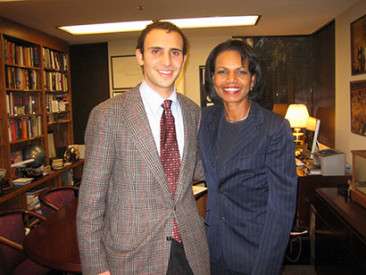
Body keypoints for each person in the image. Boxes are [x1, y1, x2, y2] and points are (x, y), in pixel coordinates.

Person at [76, 21, 209, 275]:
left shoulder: (193, 112)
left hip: (190, 249)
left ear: (184, 58)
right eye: (156, 51)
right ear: (140, 56)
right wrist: (96, 268)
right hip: (132, 256)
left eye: (175, 52)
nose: (167, 61)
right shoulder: (108, 115)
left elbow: (200, 168)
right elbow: (91, 203)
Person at [198, 39, 297, 275]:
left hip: (253, 252)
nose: (231, 80)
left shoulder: (274, 127)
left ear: (252, 80)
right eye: (222, 72)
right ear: (212, 78)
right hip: (211, 249)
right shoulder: (204, 120)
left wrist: (266, 267)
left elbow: (281, 209)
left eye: (240, 72)